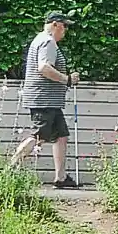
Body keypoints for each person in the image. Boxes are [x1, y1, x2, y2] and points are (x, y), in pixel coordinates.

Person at [10, 12, 80, 187]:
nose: (65, 30)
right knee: (39, 135)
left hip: (50, 100)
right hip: (43, 99)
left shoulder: (40, 39)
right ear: (55, 24)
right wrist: (67, 79)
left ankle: (61, 177)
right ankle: (10, 168)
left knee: (61, 136)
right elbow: (44, 68)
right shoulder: (48, 42)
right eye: (64, 26)